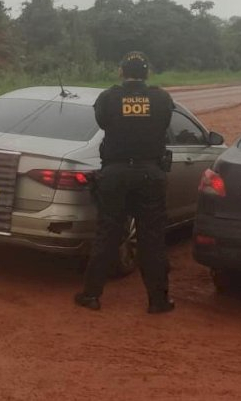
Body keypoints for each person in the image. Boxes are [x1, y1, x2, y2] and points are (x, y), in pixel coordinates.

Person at [74, 51, 176, 314]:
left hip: (116, 174)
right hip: (150, 174)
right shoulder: (161, 98)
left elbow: (103, 122)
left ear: (121, 72)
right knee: (151, 239)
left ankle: (91, 295)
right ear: (147, 74)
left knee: (107, 235)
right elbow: (165, 122)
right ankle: (158, 301)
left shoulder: (108, 98)